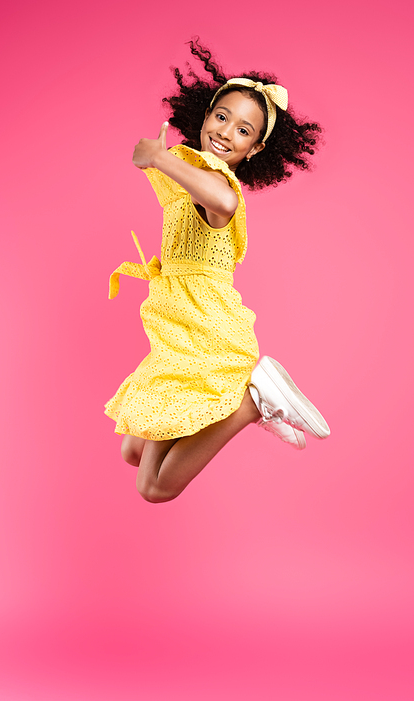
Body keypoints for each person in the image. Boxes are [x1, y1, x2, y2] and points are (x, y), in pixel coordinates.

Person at [105, 40, 330, 503]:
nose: (227, 132)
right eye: (222, 117)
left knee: (152, 487)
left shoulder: (218, 184)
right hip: (177, 326)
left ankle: (251, 403)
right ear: (206, 115)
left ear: (254, 149)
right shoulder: (195, 175)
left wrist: (159, 156)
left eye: (244, 130)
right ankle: (249, 403)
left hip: (200, 333)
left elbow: (224, 201)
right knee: (133, 447)